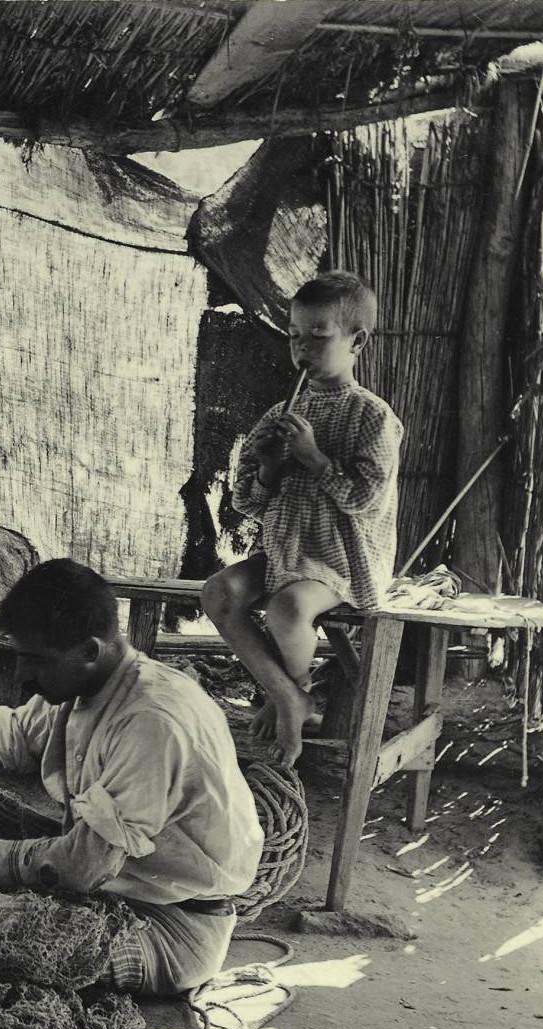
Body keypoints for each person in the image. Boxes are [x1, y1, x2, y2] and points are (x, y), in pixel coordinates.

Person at [0, 559, 264, 997]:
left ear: (90, 651)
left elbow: (81, 867)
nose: (22, 676)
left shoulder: (151, 722)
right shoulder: (83, 685)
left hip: (171, 927)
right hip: (114, 879)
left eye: (34, 661)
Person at [202, 270, 403, 768]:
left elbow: (366, 503)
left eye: (318, 337)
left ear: (357, 341)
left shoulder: (374, 417)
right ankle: (291, 696)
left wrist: (315, 458)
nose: (302, 350)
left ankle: (291, 692)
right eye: (295, 337)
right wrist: (269, 468)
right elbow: (247, 504)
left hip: (345, 560)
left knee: (288, 610)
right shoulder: (279, 413)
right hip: (285, 553)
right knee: (218, 592)